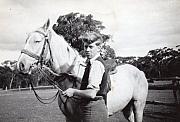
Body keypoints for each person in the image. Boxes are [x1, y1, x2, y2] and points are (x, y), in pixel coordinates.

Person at [62, 31, 108, 122]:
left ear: (99, 48)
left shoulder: (96, 64)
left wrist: (73, 91)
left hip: (93, 110)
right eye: (85, 46)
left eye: (91, 47)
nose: (87, 50)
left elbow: (91, 93)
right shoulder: (92, 63)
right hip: (92, 109)